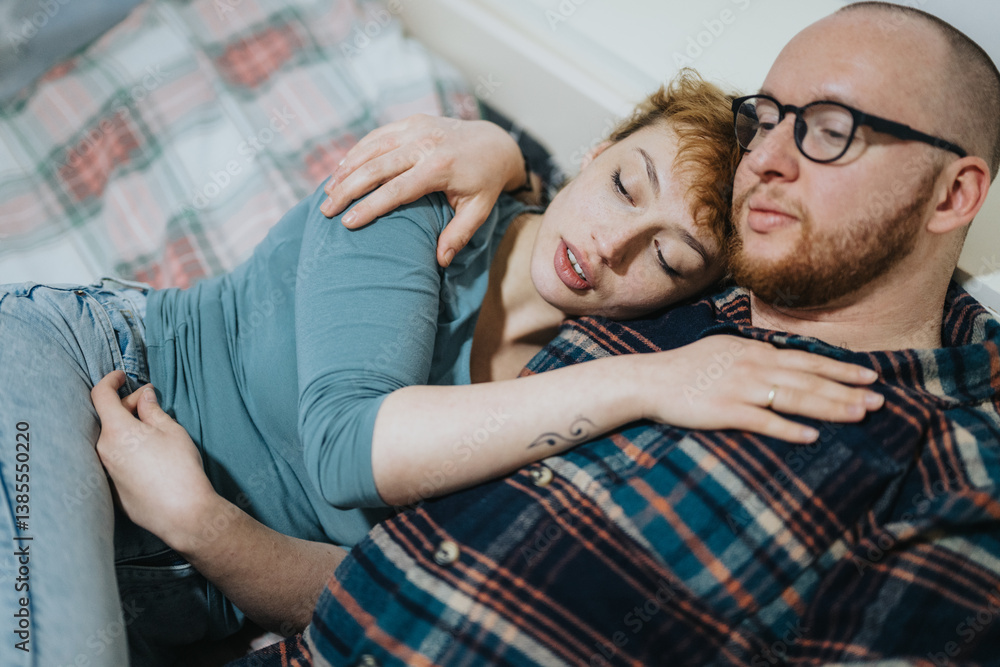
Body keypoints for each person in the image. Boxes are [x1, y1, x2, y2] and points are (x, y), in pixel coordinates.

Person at [0, 72, 880, 667]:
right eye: (624, 184)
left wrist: (207, 529)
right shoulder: (424, 194)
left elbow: (379, 585)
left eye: (670, 256)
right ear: (595, 150)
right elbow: (347, 446)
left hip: (167, 601)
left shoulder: (568, 411)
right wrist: (652, 380)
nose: (613, 245)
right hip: (88, 382)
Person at [221, 2, 1000, 664]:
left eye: (830, 130)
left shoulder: (950, 476)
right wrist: (499, 151)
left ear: (951, 194)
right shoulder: (666, 302)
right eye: (765, 119)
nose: (764, 158)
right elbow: (595, 204)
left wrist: (209, 530)